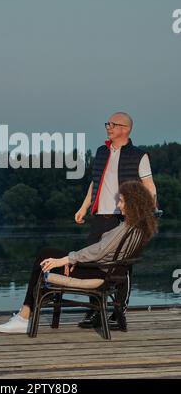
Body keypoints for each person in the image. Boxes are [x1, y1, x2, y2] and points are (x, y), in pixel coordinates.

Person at [0, 181, 158, 334]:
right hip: (101, 268)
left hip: (98, 272)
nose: (118, 205)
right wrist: (74, 259)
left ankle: (24, 316)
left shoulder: (126, 228)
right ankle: (32, 308)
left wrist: (67, 259)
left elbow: (100, 251)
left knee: (46, 255)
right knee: (49, 255)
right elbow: (101, 252)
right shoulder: (136, 227)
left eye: (121, 201)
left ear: (133, 203)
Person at [75, 112, 158, 329]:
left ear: (125, 129)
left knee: (121, 268)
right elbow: (95, 183)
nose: (108, 127)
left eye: (113, 124)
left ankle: (118, 313)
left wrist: (150, 211)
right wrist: (84, 207)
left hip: (125, 217)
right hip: (100, 215)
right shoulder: (102, 152)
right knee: (93, 263)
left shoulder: (140, 156)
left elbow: (149, 187)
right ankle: (95, 311)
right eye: (108, 124)